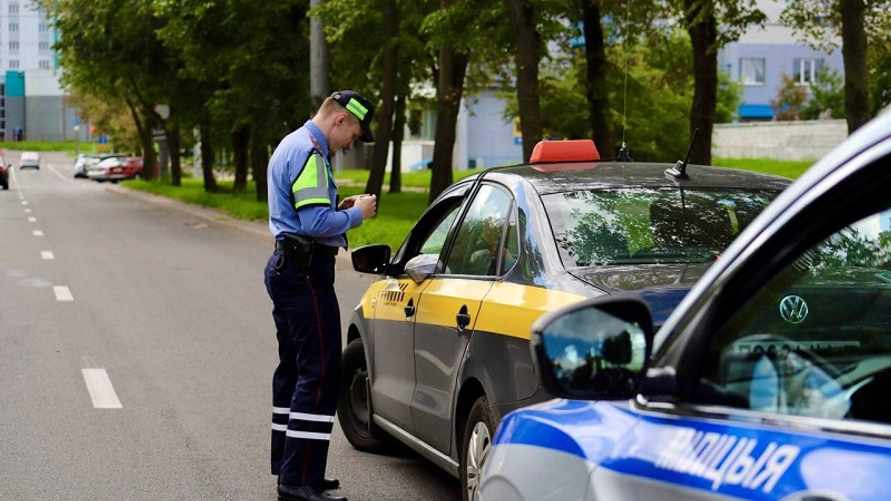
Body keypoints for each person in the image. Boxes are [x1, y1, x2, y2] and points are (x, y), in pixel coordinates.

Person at [264, 90, 377, 501]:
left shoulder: (293, 143)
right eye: (354, 134)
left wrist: (337, 208)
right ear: (340, 121)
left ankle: (290, 468)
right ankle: (300, 480)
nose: (351, 144)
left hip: (289, 268)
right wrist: (357, 215)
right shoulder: (311, 153)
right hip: (306, 273)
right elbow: (314, 222)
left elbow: (306, 213)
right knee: (321, 372)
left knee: (295, 370)